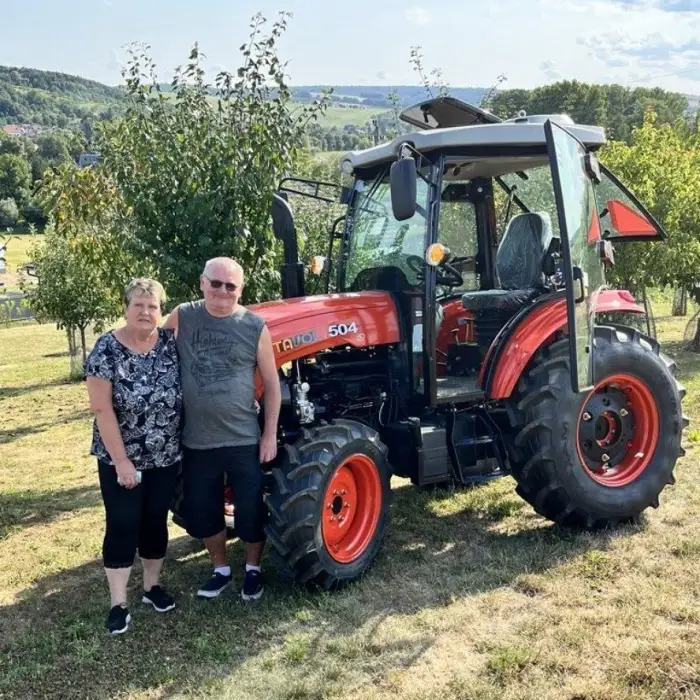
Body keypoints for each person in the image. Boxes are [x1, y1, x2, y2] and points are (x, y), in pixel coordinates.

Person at [164, 257, 281, 602]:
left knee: (249, 510)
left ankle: (253, 570)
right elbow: (149, 347)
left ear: (240, 289)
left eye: (230, 286)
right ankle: (221, 570)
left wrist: (269, 433)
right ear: (202, 283)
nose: (222, 291)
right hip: (197, 441)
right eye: (215, 283)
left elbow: (272, 385)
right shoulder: (182, 316)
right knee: (204, 510)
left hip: (243, 437)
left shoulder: (254, 326)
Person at [85, 278, 183, 635]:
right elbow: (101, 409)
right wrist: (123, 461)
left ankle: (152, 587)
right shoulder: (106, 349)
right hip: (120, 457)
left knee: (156, 521)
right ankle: (118, 602)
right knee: (124, 523)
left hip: (166, 456)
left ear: (161, 311)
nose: (145, 312)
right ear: (125, 307)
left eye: (152, 306)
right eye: (138, 305)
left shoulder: (170, 344)